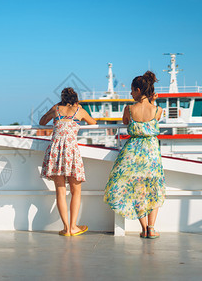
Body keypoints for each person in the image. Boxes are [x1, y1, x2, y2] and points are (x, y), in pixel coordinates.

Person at [103, 71, 166, 239]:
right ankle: (152, 228)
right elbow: (153, 118)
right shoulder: (158, 110)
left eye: (132, 90)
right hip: (151, 154)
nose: (130, 93)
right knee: (154, 191)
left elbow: (125, 122)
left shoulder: (129, 109)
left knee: (137, 190)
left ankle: (144, 228)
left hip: (132, 153)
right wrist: (152, 101)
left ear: (138, 90)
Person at [40, 87, 96, 236]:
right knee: (76, 191)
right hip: (71, 151)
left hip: (55, 151)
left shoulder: (56, 109)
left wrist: (55, 109)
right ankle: (73, 227)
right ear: (76, 99)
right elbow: (93, 122)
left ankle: (66, 228)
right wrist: (80, 108)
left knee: (60, 191)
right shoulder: (80, 111)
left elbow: (42, 121)